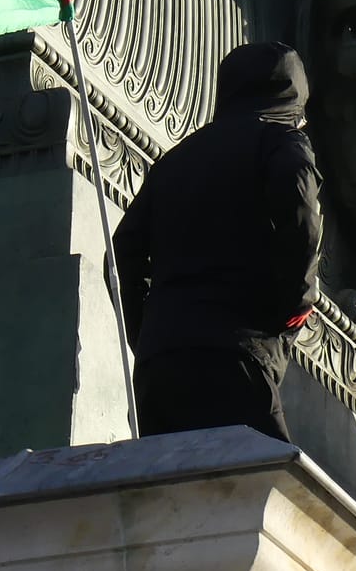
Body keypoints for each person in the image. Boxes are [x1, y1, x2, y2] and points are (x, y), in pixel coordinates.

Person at [111, 42, 321, 443]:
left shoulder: (173, 161)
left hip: (160, 365)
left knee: (165, 490)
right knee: (263, 489)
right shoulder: (281, 144)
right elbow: (303, 224)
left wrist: (149, 333)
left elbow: (121, 253)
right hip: (235, 355)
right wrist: (294, 306)